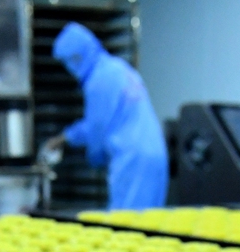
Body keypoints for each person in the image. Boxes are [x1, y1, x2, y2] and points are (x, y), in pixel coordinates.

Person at [44, 22, 168, 210]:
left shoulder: (97, 81)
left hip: (131, 159)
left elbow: (97, 130)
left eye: (68, 61)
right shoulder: (118, 68)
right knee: (150, 224)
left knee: (127, 227)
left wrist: (95, 158)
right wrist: (65, 137)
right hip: (155, 154)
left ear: (77, 56)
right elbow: (100, 120)